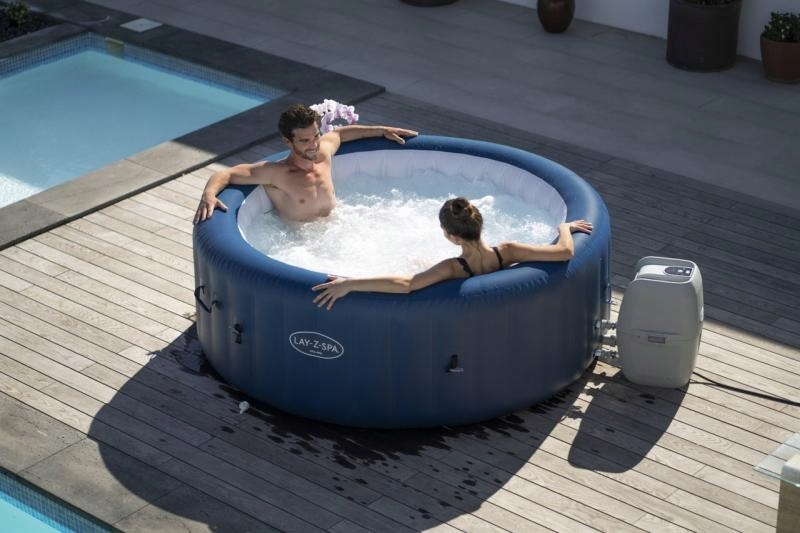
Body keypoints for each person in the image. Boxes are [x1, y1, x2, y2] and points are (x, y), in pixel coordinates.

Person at [312, 197, 594, 310]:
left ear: (452, 237)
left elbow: (407, 284)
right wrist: (564, 227)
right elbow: (565, 252)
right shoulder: (508, 251)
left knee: (417, 264)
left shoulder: (453, 268)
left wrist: (350, 283)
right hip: (509, 307)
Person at [193, 103, 418, 224]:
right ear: (287, 141)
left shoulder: (323, 154)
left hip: (340, 226)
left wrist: (382, 130)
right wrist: (209, 195)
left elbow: (339, 134)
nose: (313, 145)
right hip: (300, 245)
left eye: (316, 136)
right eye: (304, 140)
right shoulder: (276, 174)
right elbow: (227, 174)